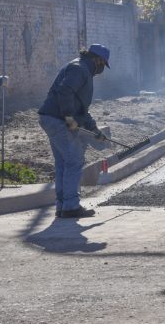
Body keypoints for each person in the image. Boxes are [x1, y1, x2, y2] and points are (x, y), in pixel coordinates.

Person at [38, 44, 111, 219]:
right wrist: (68, 117)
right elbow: (65, 91)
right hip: (56, 119)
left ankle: (62, 206)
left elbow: (82, 111)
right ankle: (70, 207)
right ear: (98, 60)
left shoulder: (82, 68)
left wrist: (94, 130)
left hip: (52, 118)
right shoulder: (80, 69)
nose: (102, 68)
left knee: (63, 163)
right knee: (74, 160)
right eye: (103, 64)